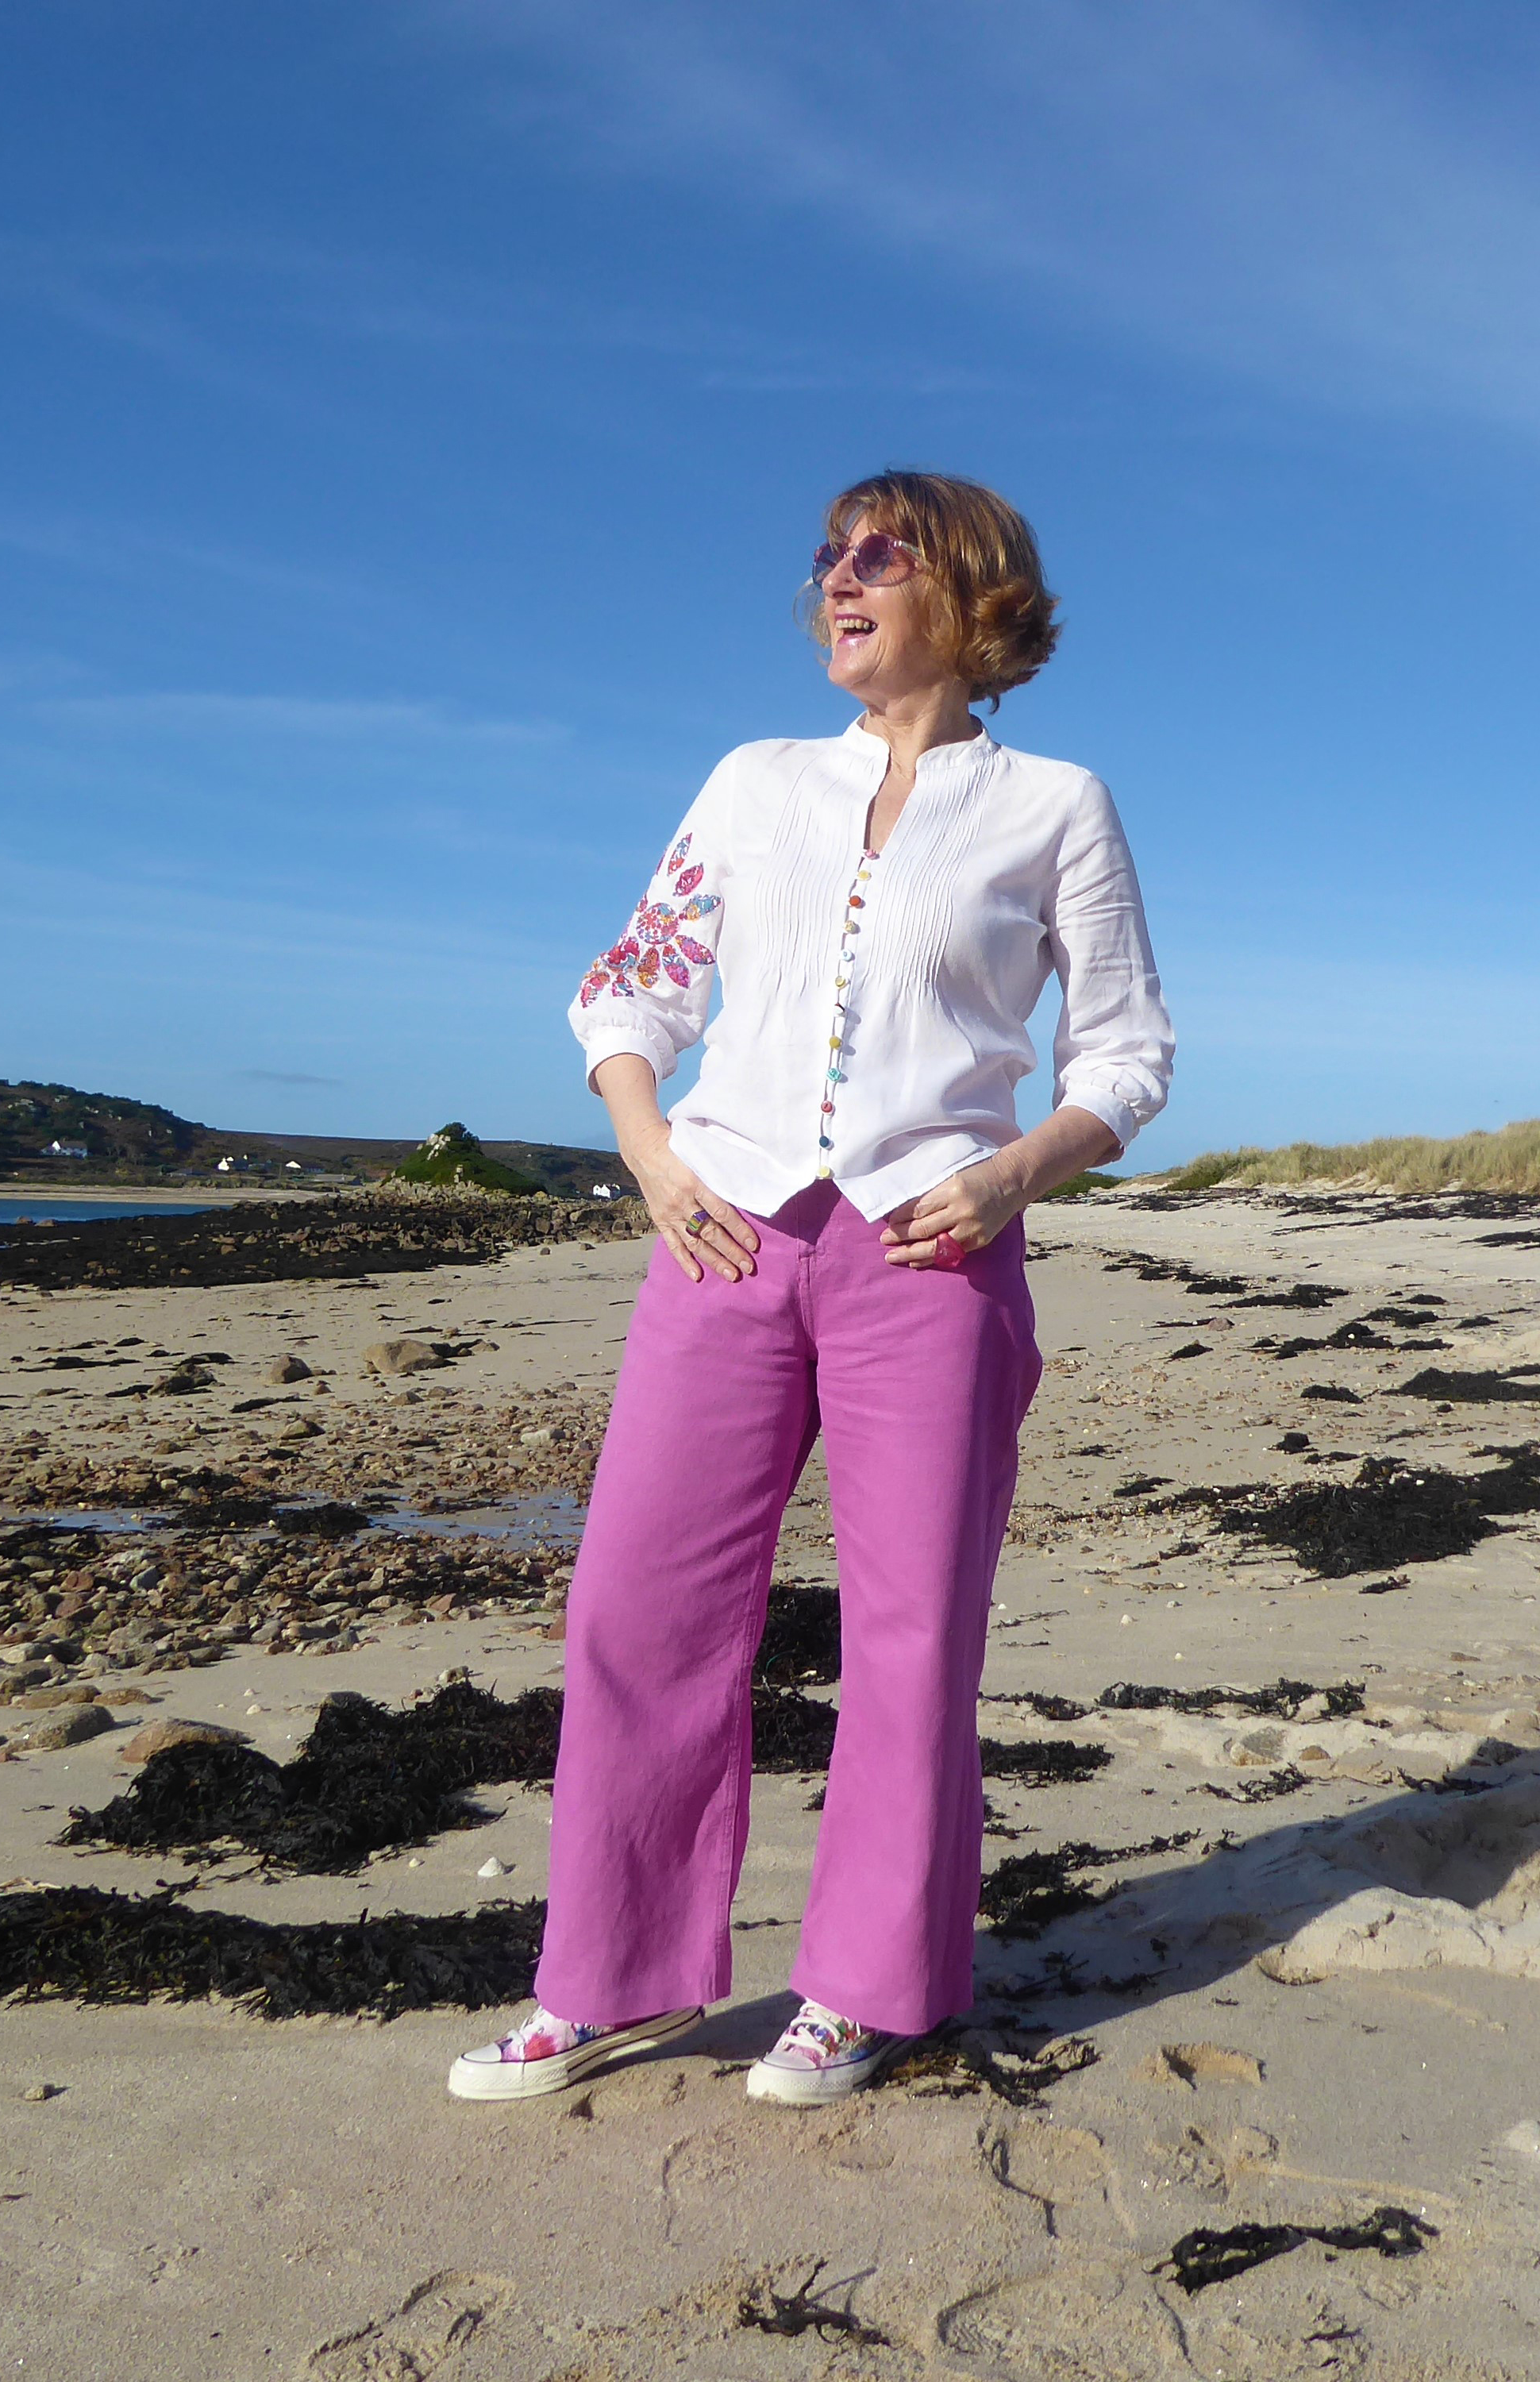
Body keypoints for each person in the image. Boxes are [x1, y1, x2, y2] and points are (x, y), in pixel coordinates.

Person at [447, 470, 1174, 2107]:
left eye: (879, 554)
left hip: (931, 1255)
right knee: (635, 1605)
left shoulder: (1055, 805)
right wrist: (649, 1154)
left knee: (912, 1629)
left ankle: (869, 1988)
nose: (839, 580)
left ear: (971, 591)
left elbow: (1126, 1055)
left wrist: (1009, 1176)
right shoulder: (754, 780)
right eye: (829, 556)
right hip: (722, 1233)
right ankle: (605, 1983)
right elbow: (636, 983)